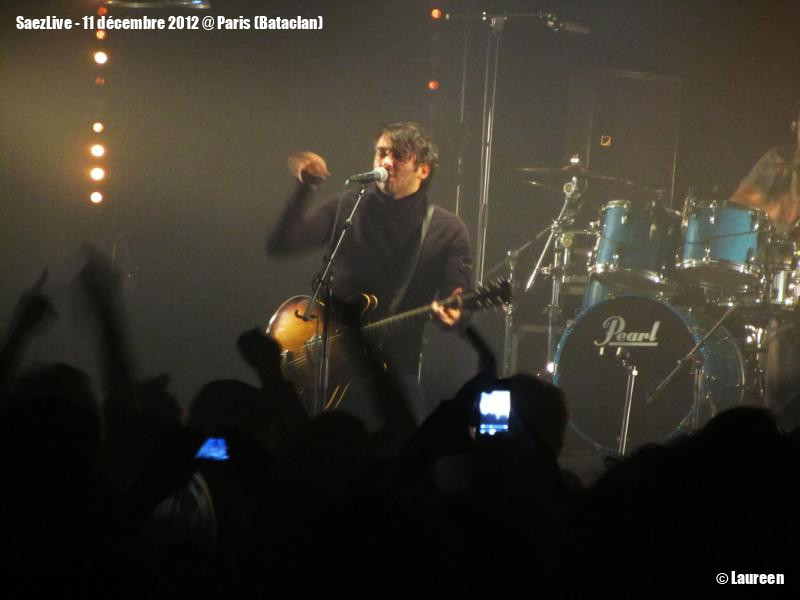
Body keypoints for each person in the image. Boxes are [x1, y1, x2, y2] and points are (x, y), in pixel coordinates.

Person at [267, 122, 472, 426]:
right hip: (326, 363)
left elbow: (459, 299)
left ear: (423, 170)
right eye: (381, 153)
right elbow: (282, 244)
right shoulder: (349, 206)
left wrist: (455, 312)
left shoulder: (447, 230)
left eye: (398, 155)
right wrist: (304, 189)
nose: (386, 162)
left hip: (394, 370)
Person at [730, 101, 800, 427]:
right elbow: (739, 205)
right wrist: (772, 210)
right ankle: (777, 423)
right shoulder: (777, 161)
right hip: (783, 273)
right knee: (782, 331)